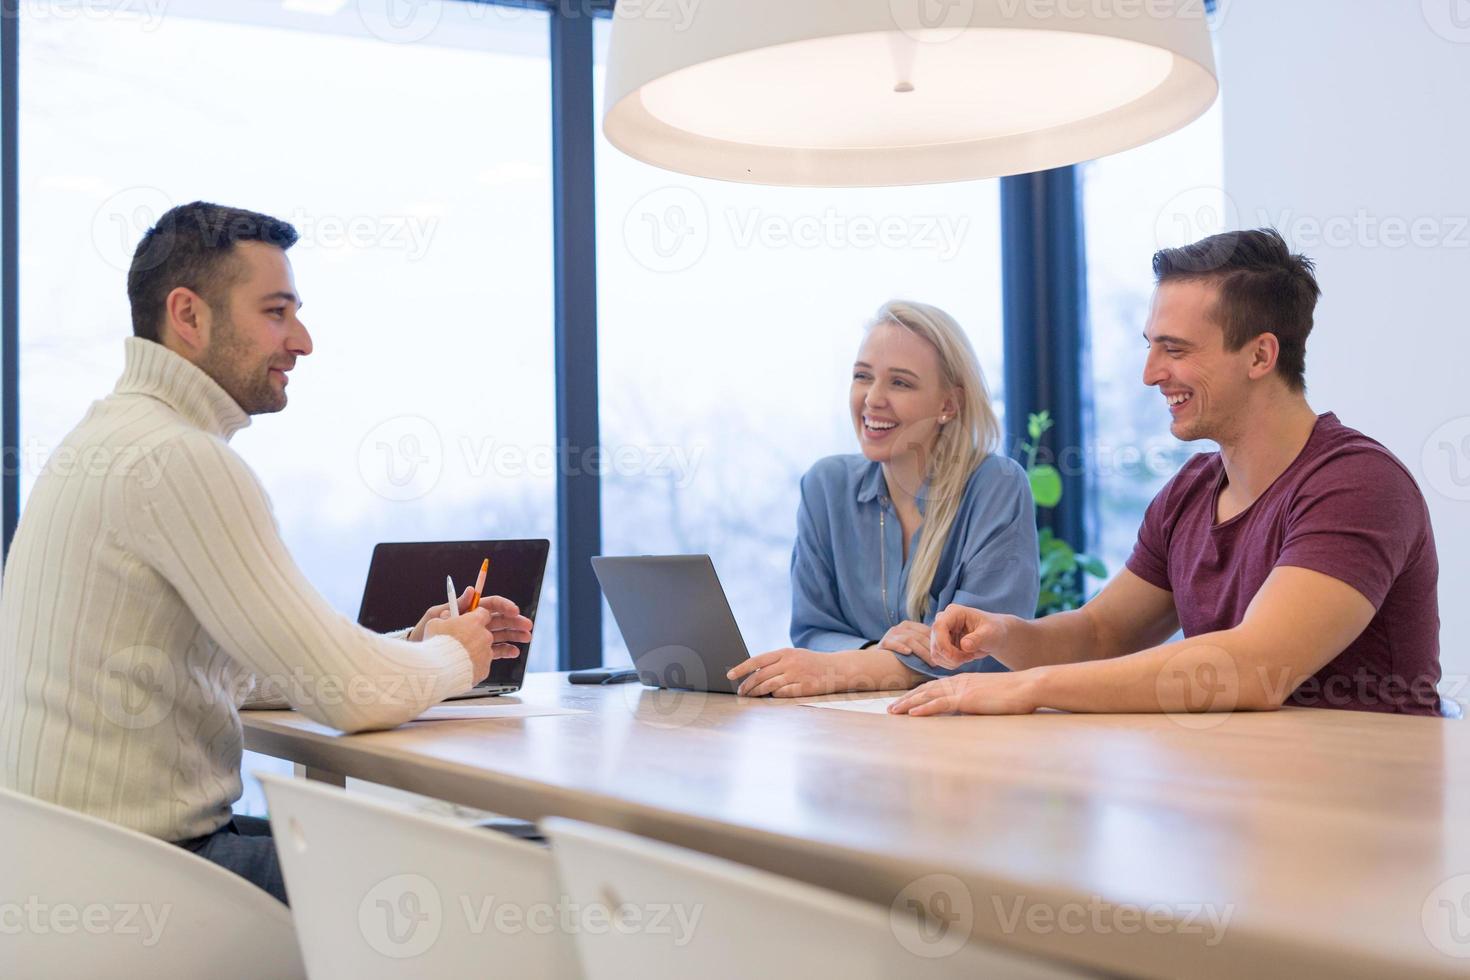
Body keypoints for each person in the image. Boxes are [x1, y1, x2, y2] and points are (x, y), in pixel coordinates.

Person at [0, 202, 533, 903]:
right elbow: (346, 693)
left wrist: (416, 641)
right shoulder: (178, 459)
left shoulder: (103, 440)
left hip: (65, 871)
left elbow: (250, 671)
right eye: (276, 313)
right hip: (138, 883)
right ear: (188, 316)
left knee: (445, 848)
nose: (303, 340)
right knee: (515, 869)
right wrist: (458, 655)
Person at [891, 229, 1441, 718]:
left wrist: (1031, 687)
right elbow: (1101, 633)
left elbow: (1253, 666)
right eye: (1151, 347)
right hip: (1247, 802)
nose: (1151, 373)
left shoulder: (1357, 484)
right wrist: (1006, 634)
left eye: (1174, 350)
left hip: (1364, 813)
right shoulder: (1191, 492)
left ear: (1260, 356)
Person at [728, 300, 1038, 698]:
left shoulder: (996, 486)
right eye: (862, 377)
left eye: (900, 383)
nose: (873, 398)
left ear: (948, 404)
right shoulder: (826, 487)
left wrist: (842, 669)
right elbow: (812, 629)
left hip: (961, 738)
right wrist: (878, 653)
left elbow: (984, 652)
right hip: (855, 728)